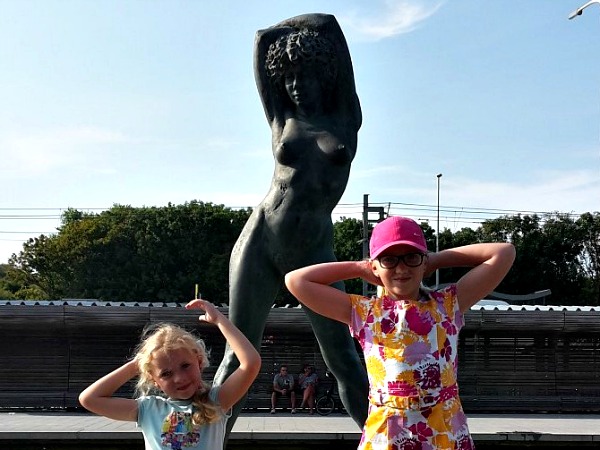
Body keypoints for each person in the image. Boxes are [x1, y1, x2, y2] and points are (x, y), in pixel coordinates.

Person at [214, 12, 368, 433]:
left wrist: (305, 37)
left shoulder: (345, 117)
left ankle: (389, 440)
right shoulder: (282, 118)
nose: (296, 87)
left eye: (305, 77)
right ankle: (202, 442)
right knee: (238, 353)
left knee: (342, 357)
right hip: (262, 238)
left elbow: (331, 25)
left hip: (314, 250)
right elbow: (263, 39)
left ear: (325, 75)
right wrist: (286, 46)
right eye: (289, 79)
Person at [285, 216, 516, 449]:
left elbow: (504, 252)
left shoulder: (448, 304)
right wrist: (358, 268)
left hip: (445, 431)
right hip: (388, 433)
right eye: (389, 259)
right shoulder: (365, 312)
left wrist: (434, 260)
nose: (401, 268)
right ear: (375, 265)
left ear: (423, 262)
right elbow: (295, 281)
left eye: (411, 257)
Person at [78, 299, 261, 450]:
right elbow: (89, 399)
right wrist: (138, 364)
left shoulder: (216, 400)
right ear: (154, 380)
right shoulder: (148, 409)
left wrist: (220, 320)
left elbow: (251, 363)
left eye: (185, 366)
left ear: (199, 362)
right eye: (166, 373)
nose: (179, 378)